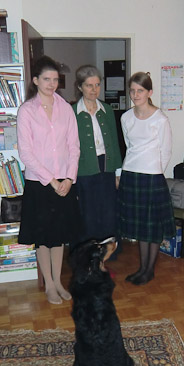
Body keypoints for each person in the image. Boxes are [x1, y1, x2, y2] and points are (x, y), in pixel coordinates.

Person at [17, 55, 80, 305]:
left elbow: (74, 147)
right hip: (40, 184)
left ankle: (59, 281)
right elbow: (26, 153)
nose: (52, 84)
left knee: (59, 235)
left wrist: (70, 178)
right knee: (43, 237)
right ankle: (50, 285)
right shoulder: (26, 111)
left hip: (65, 181)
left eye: (55, 79)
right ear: (35, 80)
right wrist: (52, 181)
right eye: (46, 79)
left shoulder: (66, 108)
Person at [118, 71, 175, 285]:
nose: (135, 95)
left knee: (153, 226)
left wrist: (154, 170)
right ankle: (142, 268)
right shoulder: (125, 117)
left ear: (149, 92)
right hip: (131, 174)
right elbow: (129, 146)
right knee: (140, 227)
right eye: (132, 90)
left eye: (140, 90)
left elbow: (166, 151)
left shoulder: (160, 119)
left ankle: (149, 270)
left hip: (152, 177)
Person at [72, 65, 123, 244]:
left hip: (107, 167)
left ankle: (108, 253)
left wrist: (118, 173)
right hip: (84, 169)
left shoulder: (107, 110)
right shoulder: (72, 112)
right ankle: (87, 255)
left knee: (108, 212)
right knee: (88, 214)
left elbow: (115, 142)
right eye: (89, 85)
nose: (94, 90)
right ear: (80, 87)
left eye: (97, 85)